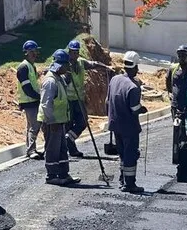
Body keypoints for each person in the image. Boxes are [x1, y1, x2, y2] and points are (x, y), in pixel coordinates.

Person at [64, 38, 114, 158]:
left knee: (82, 122)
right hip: (68, 100)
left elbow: (93, 64)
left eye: (76, 52)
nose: (74, 55)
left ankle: (68, 138)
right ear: (69, 52)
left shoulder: (81, 62)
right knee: (69, 124)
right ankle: (71, 149)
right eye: (72, 52)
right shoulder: (65, 65)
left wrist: (106, 67)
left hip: (79, 99)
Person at [107, 51, 148, 193]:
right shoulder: (133, 86)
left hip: (115, 124)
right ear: (135, 67)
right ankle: (129, 184)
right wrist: (143, 109)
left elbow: (108, 101)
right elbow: (134, 109)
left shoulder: (114, 80)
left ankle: (122, 179)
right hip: (129, 126)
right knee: (130, 153)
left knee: (122, 153)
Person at [38, 50, 80, 186]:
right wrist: (51, 121)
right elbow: (46, 104)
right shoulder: (50, 82)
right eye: (66, 65)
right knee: (52, 149)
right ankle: (51, 175)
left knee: (62, 148)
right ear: (59, 65)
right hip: (52, 122)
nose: (68, 67)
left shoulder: (59, 78)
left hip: (60, 121)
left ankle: (63, 173)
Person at [16, 40, 44, 160]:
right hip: (29, 101)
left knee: (31, 126)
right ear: (26, 53)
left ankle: (31, 149)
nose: (34, 54)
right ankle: (31, 150)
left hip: (31, 100)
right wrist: (39, 97)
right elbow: (26, 87)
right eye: (31, 51)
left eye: (35, 51)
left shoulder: (31, 66)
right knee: (34, 126)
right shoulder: (23, 67)